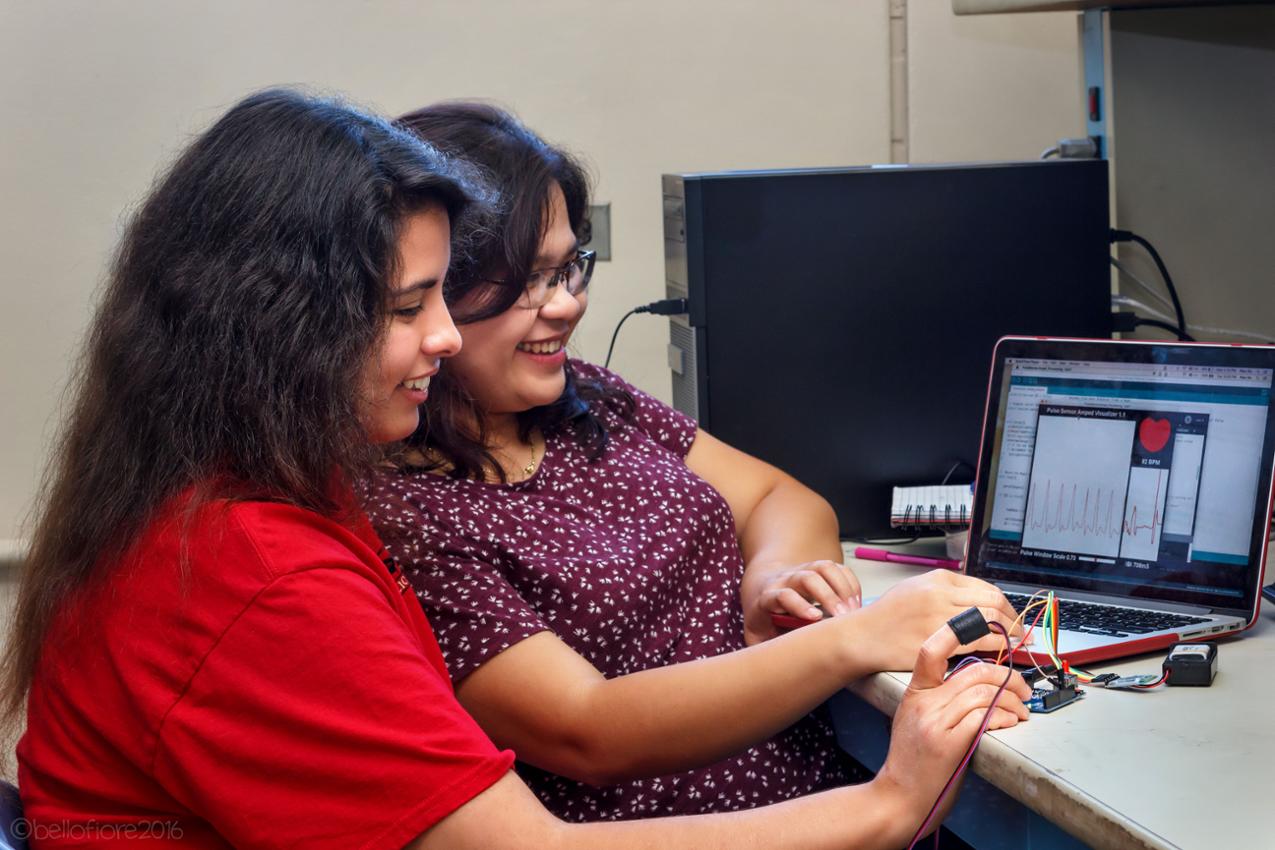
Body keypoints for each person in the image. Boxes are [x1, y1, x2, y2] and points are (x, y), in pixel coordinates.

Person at [2, 88, 1029, 849]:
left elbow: (775, 499)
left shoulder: (239, 492)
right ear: (283, 328)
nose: (445, 337)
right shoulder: (260, 574)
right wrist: (890, 802)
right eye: (410, 308)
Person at [364, 102, 1028, 821]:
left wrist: (773, 576)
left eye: (570, 269)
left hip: (824, 798)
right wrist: (850, 638)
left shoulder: (589, 401)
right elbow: (588, 729)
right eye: (529, 280)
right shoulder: (407, 515)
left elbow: (781, 497)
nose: (565, 307)